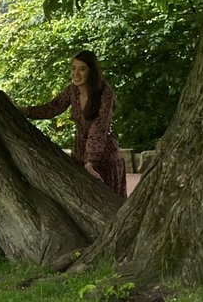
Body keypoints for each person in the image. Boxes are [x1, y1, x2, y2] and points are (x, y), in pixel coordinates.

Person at [18, 50, 127, 197]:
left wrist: (90, 161)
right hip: (80, 155)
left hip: (104, 158)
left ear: (92, 72)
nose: (76, 74)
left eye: (82, 69)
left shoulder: (105, 93)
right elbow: (52, 107)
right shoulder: (73, 90)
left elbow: (98, 128)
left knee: (107, 201)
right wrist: (24, 110)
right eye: (73, 68)